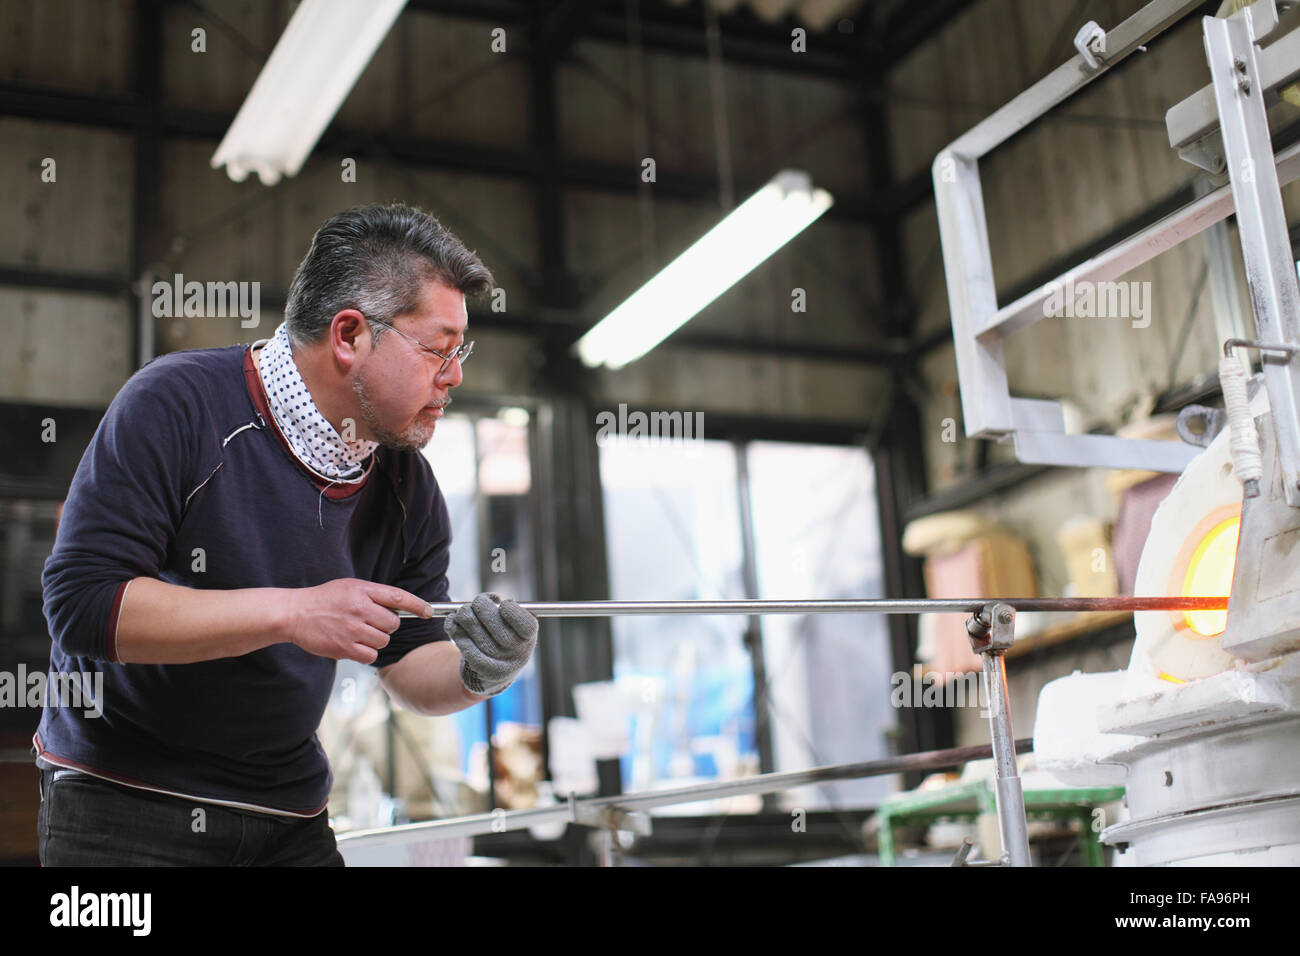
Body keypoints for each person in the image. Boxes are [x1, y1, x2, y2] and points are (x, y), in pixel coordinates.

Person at [35, 202, 538, 865]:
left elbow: (408, 660)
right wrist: (295, 613)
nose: (456, 376)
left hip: (284, 811)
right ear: (350, 336)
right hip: (124, 798)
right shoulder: (178, 405)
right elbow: (85, 606)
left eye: (460, 352)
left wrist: (481, 670)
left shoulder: (404, 485)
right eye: (439, 350)